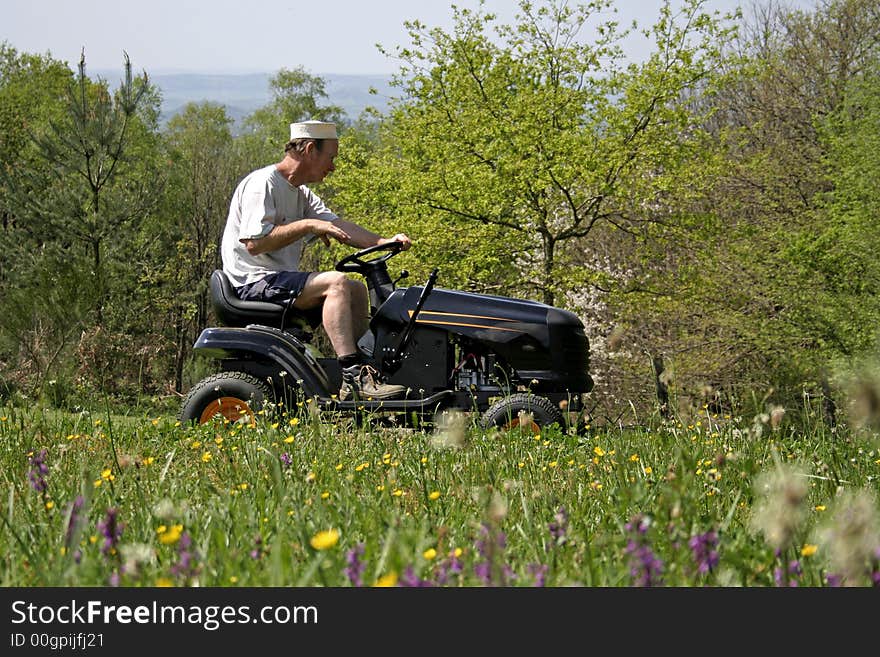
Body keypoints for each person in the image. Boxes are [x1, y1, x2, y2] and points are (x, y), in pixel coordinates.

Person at [220, 119, 412, 401]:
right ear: (310, 149)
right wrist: (308, 225)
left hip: (274, 280)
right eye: (330, 158)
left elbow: (339, 225)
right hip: (253, 282)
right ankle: (351, 376)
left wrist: (384, 242)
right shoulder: (263, 185)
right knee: (336, 283)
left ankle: (369, 373)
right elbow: (254, 244)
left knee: (356, 289)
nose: (332, 167)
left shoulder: (300, 193)